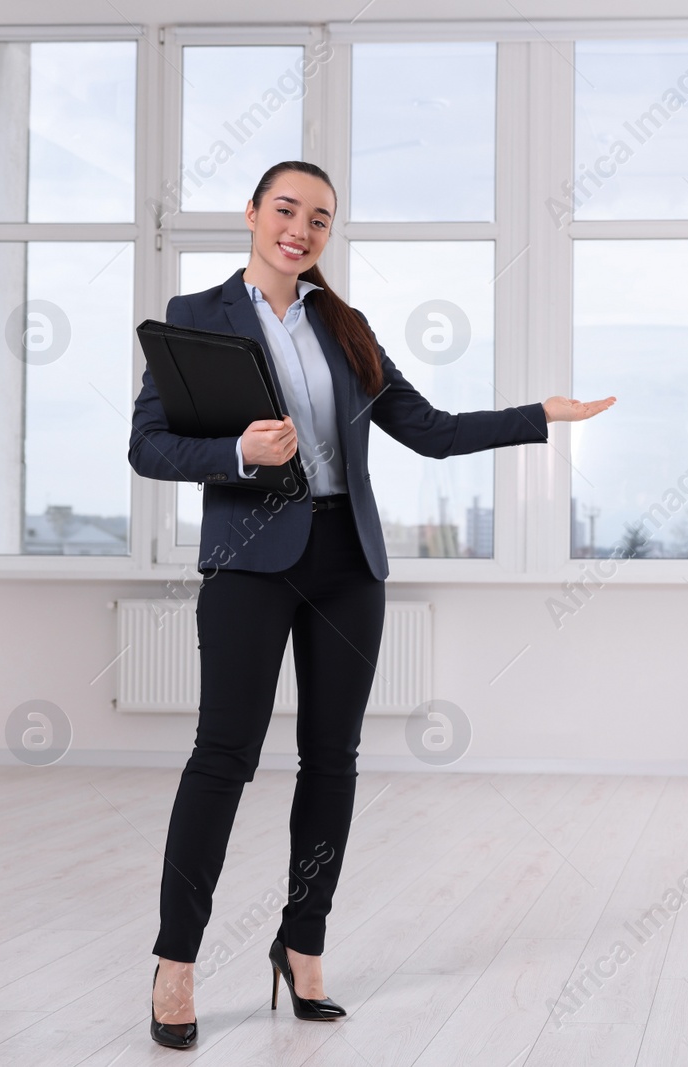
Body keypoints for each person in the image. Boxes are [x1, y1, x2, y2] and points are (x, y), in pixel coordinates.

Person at [127, 160, 615, 1049]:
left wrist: (538, 415)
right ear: (251, 214)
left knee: (333, 760)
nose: (301, 229)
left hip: (347, 562)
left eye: (320, 218)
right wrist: (236, 450)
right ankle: (176, 962)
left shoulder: (344, 326)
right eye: (286, 209)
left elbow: (427, 431)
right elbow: (149, 446)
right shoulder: (195, 317)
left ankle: (302, 942)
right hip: (247, 562)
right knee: (222, 758)